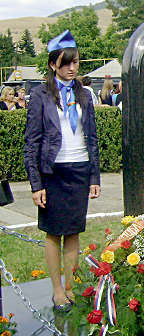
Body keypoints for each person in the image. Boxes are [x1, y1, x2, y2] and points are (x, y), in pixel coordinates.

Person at [24, 30, 101, 311]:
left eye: (76, 62)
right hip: (52, 173)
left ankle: (71, 287)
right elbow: (31, 143)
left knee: (73, 231)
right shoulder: (40, 95)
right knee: (53, 232)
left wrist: (94, 176)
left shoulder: (84, 94)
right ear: (53, 64)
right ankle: (57, 290)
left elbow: (91, 137)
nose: (72, 68)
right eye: (66, 63)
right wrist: (36, 184)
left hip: (79, 169)